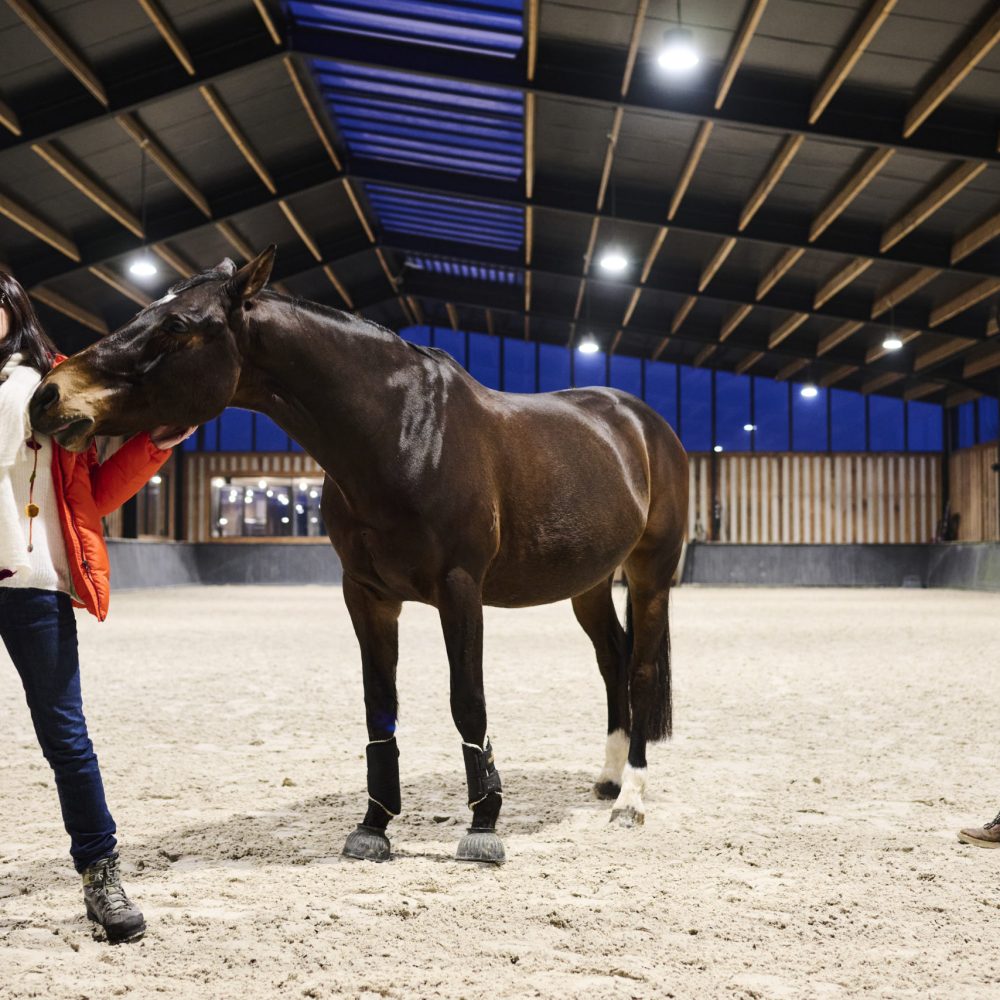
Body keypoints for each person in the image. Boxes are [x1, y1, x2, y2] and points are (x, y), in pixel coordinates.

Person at [0, 269, 194, 942]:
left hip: (34, 587)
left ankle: (100, 874)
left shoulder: (56, 392)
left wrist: (153, 446)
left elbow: (95, 497)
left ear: (11, 309)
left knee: (66, 739)